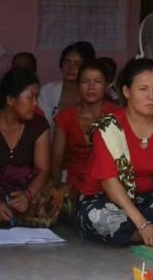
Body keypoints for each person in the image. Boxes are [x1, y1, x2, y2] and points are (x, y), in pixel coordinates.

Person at [75, 58, 153, 247]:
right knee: (108, 220)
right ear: (126, 92)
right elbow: (109, 182)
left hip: (151, 201)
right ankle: (150, 233)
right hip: (107, 200)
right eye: (143, 89)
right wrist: (142, 224)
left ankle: (152, 233)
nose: (152, 96)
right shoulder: (108, 128)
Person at [0, 69, 64, 226]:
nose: (35, 104)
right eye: (31, 98)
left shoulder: (39, 125)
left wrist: (27, 195)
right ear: (11, 99)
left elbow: (43, 169)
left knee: (48, 204)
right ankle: (1, 214)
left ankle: (3, 216)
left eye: (36, 98)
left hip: (24, 191)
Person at [50, 59, 121, 194]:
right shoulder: (65, 116)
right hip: (75, 184)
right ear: (78, 85)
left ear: (106, 86)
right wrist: (57, 188)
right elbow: (56, 158)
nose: (91, 87)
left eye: (97, 82)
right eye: (85, 82)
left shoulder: (117, 114)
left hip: (110, 183)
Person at [38, 41, 96, 129]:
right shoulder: (47, 91)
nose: (71, 68)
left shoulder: (93, 92)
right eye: (66, 62)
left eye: (77, 64)